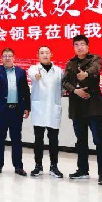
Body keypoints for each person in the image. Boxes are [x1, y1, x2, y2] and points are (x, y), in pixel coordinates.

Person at [62, 35, 102, 186]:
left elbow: (96, 69)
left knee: (98, 140)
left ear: (88, 46)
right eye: (76, 45)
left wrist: (86, 74)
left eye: (82, 44)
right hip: (77, 107)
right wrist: (75, 91)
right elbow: (65, 82)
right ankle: (82, 170)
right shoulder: (70, 63)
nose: (80, 47)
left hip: (93, 106)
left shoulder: (95, 58)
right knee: (81, 141)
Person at [0, 48, 31, 176]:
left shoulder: (20, 72)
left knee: (16, 139)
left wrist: (27, 107)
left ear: (14, 57)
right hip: (1, 110)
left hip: (16, 111)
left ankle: (18, 166)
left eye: (9, 56)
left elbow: (25, 90)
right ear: (1, 58)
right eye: (5, 56)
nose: (7, 58)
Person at [27, 46, 64, 179]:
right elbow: (33, 76)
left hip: (53, 108)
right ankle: (38, 166)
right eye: (42, 53)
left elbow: (62, 88)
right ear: (38, 55)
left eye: (47, 52)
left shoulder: (59, 71)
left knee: (54, 140)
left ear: (51, 54)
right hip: (39, 109)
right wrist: (37, 76)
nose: (44, 55)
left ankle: (54, 166)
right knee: (38, 139)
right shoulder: (33, 69)